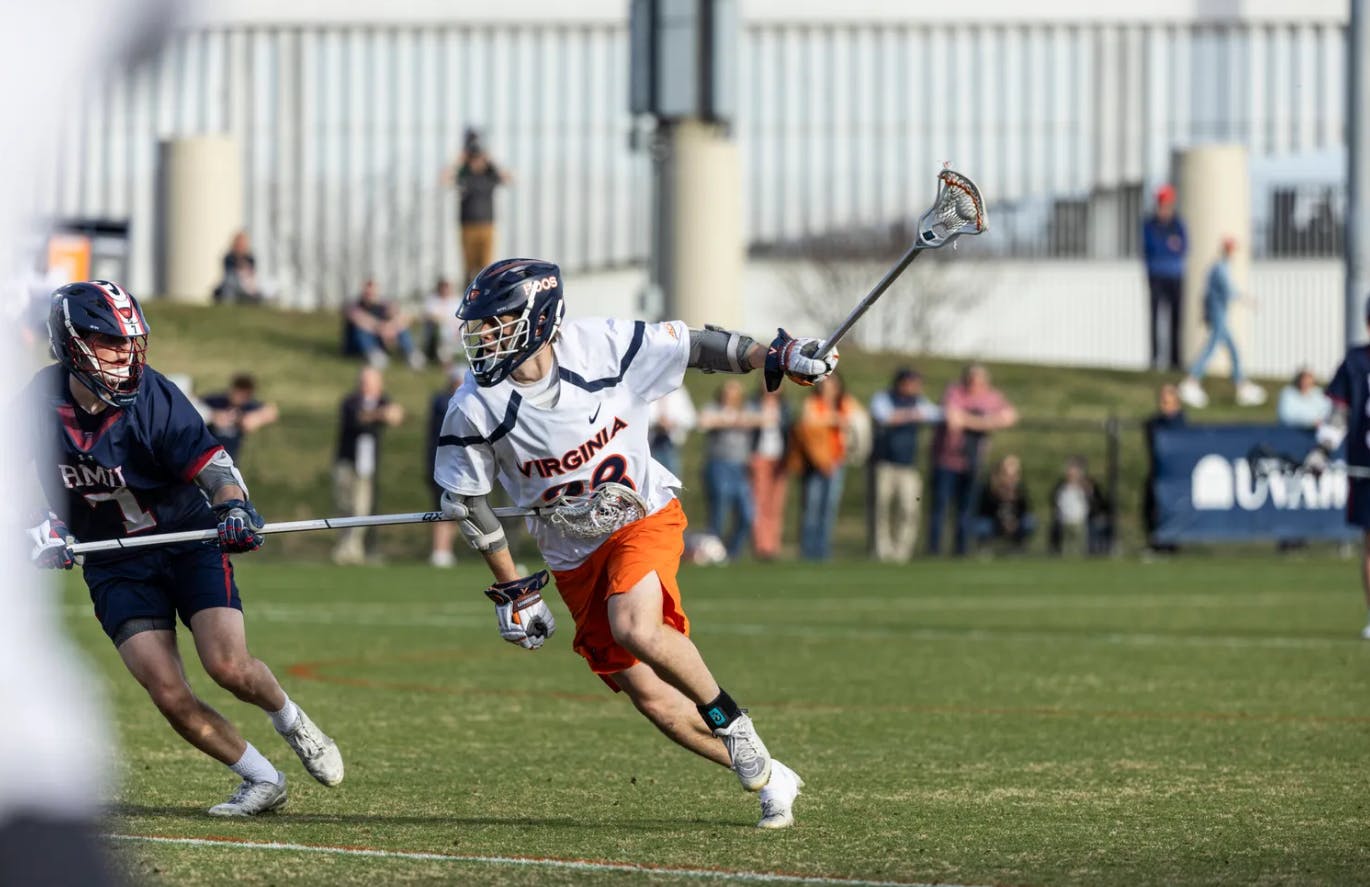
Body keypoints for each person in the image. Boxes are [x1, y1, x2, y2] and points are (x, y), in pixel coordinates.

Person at [434, 258, 836, 828]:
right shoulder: (473, 404)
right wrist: (515, 590)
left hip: (641, 516)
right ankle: (771, 772)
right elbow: (469, 503)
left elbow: (700, 346)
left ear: (539, 318)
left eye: (498, 322)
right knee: (652, 700)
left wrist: (776, 354)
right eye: (481, 325)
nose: (485, 336)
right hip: (572, 553)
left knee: (635, 627)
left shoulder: (602, 345)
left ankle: (732, 719)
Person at [22, 281, 343, 816]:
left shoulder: (152, 394)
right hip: (113, 561)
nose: (127, 355)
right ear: (73, 343)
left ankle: (292, 721)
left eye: (131, 342)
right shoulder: (36, 403)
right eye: (110, 342)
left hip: (186, 542)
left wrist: (234, 508)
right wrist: (37, 529)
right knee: (168, 693)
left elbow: (214, 468)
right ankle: (262, 779)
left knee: (228, 666)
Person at [1308, 296, 1370, 639]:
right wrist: (1321, 451)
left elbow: (1336, 418)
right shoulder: (1355, 362)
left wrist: (1322, 450)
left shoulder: (1356, 361)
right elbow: (1338, 414)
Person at [926, 364, 1018, 556]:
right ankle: (933, 551)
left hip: (973, 462)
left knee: (966, 510)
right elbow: (953, 419)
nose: (975, 383)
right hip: (947, 461)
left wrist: (971, 421)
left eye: (979, 380)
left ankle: (961, 551)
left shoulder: (991, 397)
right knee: (940, 508)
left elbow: (1010, 416)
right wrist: (987, 422)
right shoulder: (955, 392)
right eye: (972, 379)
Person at [1177, 237, 1266, 409]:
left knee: (1232, 348)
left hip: (1218, 314)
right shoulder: (1219, 268)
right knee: (1212, 347)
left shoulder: (1220, 267)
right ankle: (1191, 381)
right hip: (1217, 314)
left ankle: (1241, 386)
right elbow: (1228, 291)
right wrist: (1249, 300)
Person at [332, 365, 405, 565]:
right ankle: (345, 546)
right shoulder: (351, 401)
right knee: (344, 505)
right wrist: (381, 414)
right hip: (347, 460)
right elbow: (360, 417)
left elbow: (396, 415)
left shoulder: (383, 400)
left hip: (367, 464)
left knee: (361, 507)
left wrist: (385, 413)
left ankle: (353, 549)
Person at [868, 368, 939, 563]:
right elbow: (883, 416)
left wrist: (913, 414)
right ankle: (881, 552)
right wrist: (911, 414)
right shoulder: (884, 398)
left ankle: (902, 553)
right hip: (884, 463)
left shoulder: (919, 401)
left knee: (909, 509)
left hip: (908, 465)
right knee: (881, 510)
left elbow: (935, 414)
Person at [789, 374, 857, 561]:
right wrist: (833, 419)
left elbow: (857, 419)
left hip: (836, 462)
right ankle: (807, 552)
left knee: (829, 509)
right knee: (811, 508)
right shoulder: (812, 402)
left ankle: (823, 552)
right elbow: (808, 423)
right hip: (815, 463)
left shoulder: (844, 403)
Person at [697, 380, 762, 561]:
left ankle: (733, 552)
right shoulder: (714, 407)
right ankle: (713, 553)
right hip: (719, 465)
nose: (731, 396)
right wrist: (731, 420)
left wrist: (736, 419)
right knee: (719, 510)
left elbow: (765, 418)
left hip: (740, 467)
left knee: (747, 514)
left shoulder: (748, 408)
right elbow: (703, 420)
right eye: (728, 391)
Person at [442, 129, 512, 287]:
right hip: (467, 226)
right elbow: (444, 179)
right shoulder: (463, 174)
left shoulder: (490, 174)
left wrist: (491, 160)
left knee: (486, 268)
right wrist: (459, 160)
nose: (476, 161)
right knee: (469, 268)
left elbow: (509, 178)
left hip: (487, 226)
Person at [1142, 183, 1188, 371]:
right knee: (1155, 318)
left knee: (1176, 319)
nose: (1164, 208)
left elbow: (1184, 247)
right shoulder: (1149, 225)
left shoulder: (1178, 225)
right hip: (1156, 276)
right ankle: (1155, 360)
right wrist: (1170, 245)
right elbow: (1152, 247)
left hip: (1175, 276)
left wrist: (1170, 245)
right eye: (1162, 204)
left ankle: (1175, 361)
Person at [426, 365, 465, 567]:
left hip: (459, 466)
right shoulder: (443, 402)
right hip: (442, 464)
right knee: (443, 508)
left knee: (459, 509)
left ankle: (445, 549)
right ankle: (439, 550)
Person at [343, 278, 424, 370]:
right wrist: (382, 327)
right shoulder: (353, 305)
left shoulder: (384, 305)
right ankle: (374, 354)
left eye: (372, 291)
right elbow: (359, 318)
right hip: (356, 347)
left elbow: (404, 316)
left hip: (380, 338)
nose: (370, 294)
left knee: (401, 327)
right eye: (367, 291)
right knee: (363, 329)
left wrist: (392, 326)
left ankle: (412, 355)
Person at [1142, 382, 1186, 552]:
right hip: (1158, 473)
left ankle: (1171, 546)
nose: (1163, 406)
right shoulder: (1155, 423)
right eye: (1162, 401)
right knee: (1150, 508)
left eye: (1167, 402)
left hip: (1174, 477)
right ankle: (1156, 544)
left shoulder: (1180, 425)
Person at [749, 384, 791, 560]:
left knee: (776, 504)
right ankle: (762, 545)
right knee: (760, 502)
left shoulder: (785, 407)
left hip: (779, 458)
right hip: (760, 456)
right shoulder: (754, 405)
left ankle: (773, 545)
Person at [201, 373, 279, 463]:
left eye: (245, 395)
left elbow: (272, 412)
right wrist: (212, 416)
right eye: (238, 392)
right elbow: (195, 405)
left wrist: (252, 419)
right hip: (206, 456)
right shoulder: (216, 401)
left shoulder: (248, 406)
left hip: (230, 459)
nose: (240, 397)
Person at [1048, 455, 1112, 556]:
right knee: (1064, 539)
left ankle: (1090, 551)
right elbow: (1054, 501)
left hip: (1083, 520)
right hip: (1065, 520)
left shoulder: (1089, 485)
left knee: (1086, 534)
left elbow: (1100, 504)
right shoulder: (1062, 486)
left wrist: (1089, 493)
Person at [973, 454, 1035, 552]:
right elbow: (983, 511)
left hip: (1014, 523)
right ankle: (984, 546)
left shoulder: (1019, 490)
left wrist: (1014, 520)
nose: (1011, 479)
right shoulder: (990, 490)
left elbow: (1025, 509)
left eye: (1014, 475)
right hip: (995, 523)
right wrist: (999, 497)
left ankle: (1019, 545)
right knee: (982, 525)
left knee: (1029, 521)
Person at [647, 385, 697, 478]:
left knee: (671, 479)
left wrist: (673, 422)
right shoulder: (647, 387)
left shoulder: (679, 391)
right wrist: (656, 422)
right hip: (649, 444)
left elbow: (690, 418)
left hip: (671, 443)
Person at [213, 231, 267, 305]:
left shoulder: (250, 258)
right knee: (228, 286)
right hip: (233, 283)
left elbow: (251, 274)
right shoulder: (229, 257)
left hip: (246, 284)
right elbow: (229, 274)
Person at [422, 277, 462, 365]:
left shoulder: (457, 301)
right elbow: (428, 316)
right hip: (437, 331)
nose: (445, 290)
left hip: (454, 332)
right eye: (443, 287)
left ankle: (445, 356)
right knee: (441, 328)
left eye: (447, 287)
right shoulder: (432, 300)